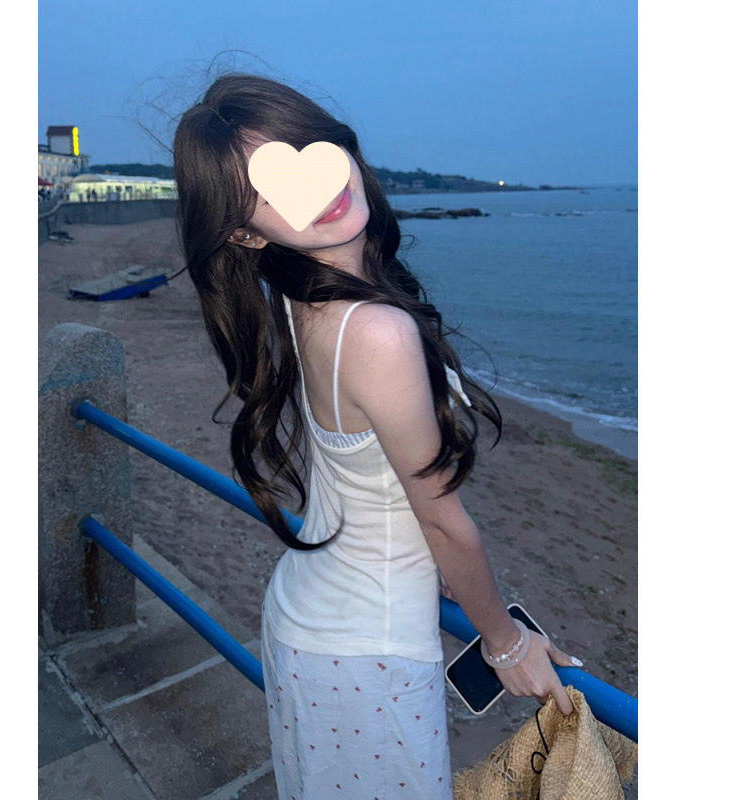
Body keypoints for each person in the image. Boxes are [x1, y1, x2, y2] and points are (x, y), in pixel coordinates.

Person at [173, 73, 581, 800]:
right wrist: (506, 642)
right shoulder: (376, 331)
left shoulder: (302, 294)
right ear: (244, 233)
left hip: (313, 621)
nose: (316, 189)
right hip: (366, 652)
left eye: (307, 152)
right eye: (271, 189)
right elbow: (444, 521)